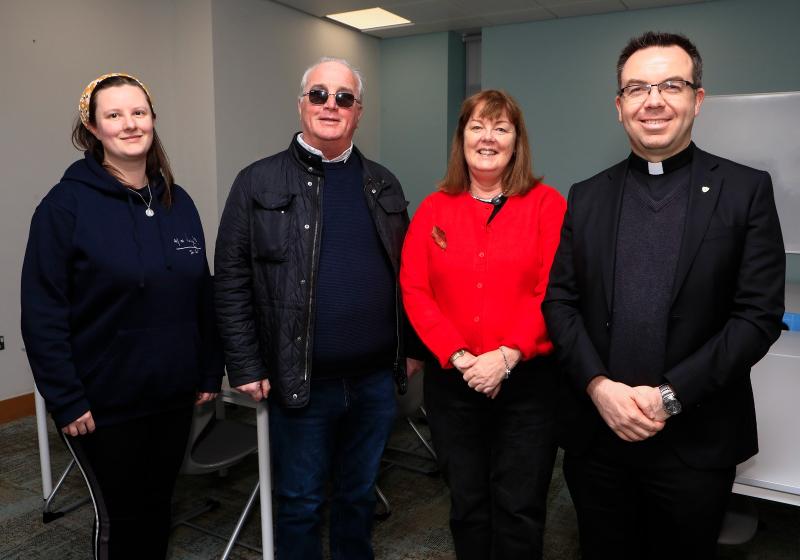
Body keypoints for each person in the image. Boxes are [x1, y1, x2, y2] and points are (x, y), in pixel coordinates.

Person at [542, 32, 786, 559]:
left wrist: (668, 397)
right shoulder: (586, 196)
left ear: (697, 99)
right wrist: (598, 386)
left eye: (670, 85)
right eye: (636, 89)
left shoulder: (745, 191)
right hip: (598, 440)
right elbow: (559, 303)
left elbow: (757, 317)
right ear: (619, 106)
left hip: (696, 444)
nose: (653, 100)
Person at [214, 57, 422, 560]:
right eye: (320, 95)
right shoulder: (256, 182)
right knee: (300, 501)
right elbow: (231, 280)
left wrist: (411, 347)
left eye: (344, 97)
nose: (332, 105)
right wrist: (244, 363)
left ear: (359, 111)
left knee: (358, 496)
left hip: (374, 381)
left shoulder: (383, 183)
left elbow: (412, 277)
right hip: (300, 381)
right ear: (301, 104)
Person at [21, 73, 223, 559]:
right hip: (101, 403)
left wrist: (208, 368)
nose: (129, 124)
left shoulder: (179, 201)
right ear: (92, 128)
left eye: (138, 112)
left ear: (152, 120)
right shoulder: (64, 206)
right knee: (122, 518)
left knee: (158, 508)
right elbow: (42, 311)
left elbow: (202, 294)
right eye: (114, 115)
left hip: (172, 394)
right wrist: (66, 399)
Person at [400, 89, 566, 560]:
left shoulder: (546, 205)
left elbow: (552, 289)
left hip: (528, 386)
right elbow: (415, 289)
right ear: (462, 138)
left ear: (517, 141)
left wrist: (507, 355)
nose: (488, 137)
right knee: (467, 504)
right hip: (455, 384)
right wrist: (459, 356)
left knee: (519, 507)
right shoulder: (435, 208)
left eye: (501, 128)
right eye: (477, 126)